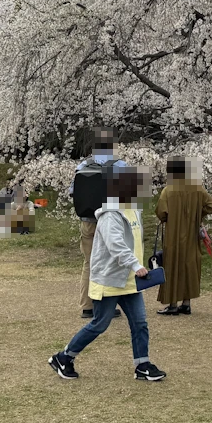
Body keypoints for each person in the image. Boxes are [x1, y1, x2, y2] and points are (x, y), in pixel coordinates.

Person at [48, 166, 167, 382]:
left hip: (130, 279)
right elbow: (115, 244)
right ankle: (63, 357)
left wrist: (141, 265)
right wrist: (135, 265)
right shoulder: (110, 214)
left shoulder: (134, 210)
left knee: (140, 323)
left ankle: (142, 364)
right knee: (100, 324)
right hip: (110, 278)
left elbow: (134, 243)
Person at [69, 129, 129, 319]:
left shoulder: (83, 165)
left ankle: (87, 306)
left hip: (87, 221)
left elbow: (73, 192)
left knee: (89, 262)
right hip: (110, 220)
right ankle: (106, 305)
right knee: (111, 262)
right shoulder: (120, 165)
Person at [155, 157, 212, 315]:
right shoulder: (197, 188)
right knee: (189, 265)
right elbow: (211, 205)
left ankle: (173, 304)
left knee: (172, 265)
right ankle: (186, 303)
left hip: (173, 234)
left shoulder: (168, 190)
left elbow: (162, 212)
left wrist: (168, 219)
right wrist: (198, 215)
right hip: (191, 234)